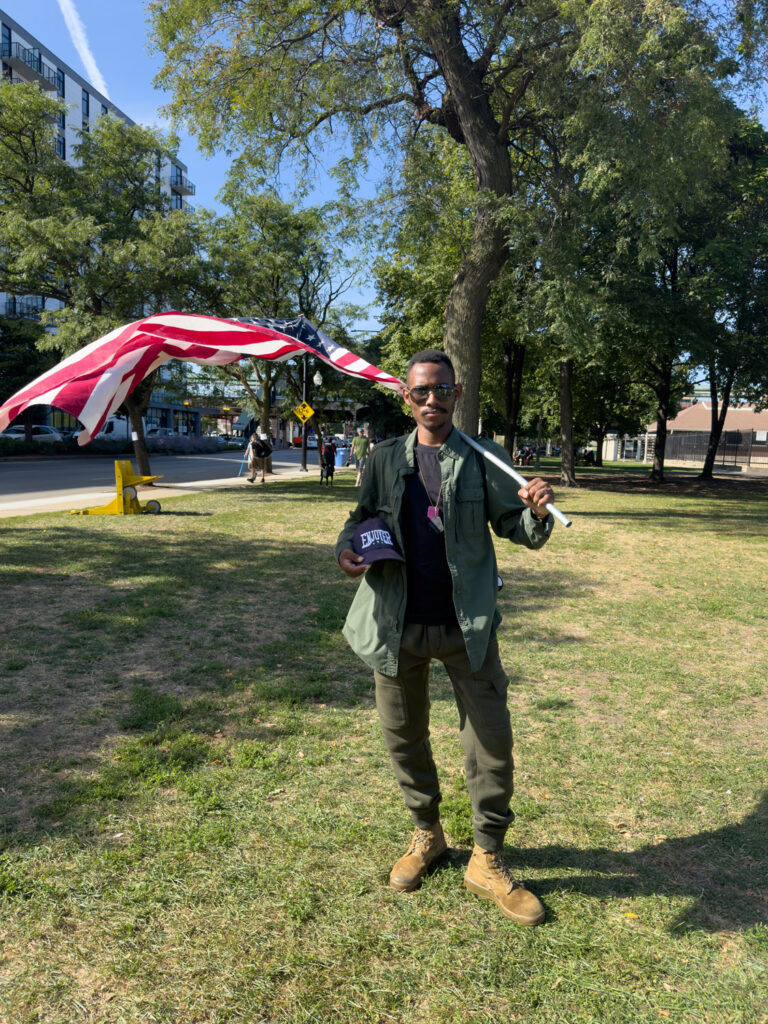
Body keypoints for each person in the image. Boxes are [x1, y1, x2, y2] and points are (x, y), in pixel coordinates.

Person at [335, 349, 556, 926]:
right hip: (397, 623)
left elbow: (518, 529)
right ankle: (426, 834)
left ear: (457, 393)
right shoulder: (384, 459)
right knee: (403, 735)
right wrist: (348, 550)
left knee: (490, 741)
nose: (431, 400)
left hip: (467, 627)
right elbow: (360, 518)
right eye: (420, 392)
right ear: (407, 398)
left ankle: (486, 856)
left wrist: (534, 511)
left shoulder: (486, 457)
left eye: (442, 390)